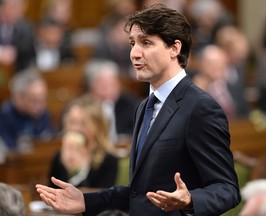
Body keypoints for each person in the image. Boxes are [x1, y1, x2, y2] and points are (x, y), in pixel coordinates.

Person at [36, 4, 240, 216]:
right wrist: (85, 201)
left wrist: (190, 200)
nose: (134, 53)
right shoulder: (144, 107)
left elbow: (227, 189)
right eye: (132, 43)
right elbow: (139, 194)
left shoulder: (201, 108)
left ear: (174, 48)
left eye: (146, 43)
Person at [48, 95, 118, 189]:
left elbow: (97, 198)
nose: (76, 128)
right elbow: (52, 193)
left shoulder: (108, 160)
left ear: (97, 127)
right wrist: (67, 166)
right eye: (72, 122)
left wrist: (77, 171)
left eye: (83, 124)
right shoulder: (59, 157)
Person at [84, 59, 139, 143]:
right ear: (92, 88)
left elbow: (136, 131)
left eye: (113, 84)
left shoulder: (128, 103)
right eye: (104, 86)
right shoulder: (83, 107)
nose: (111, 90)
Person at [0, 68, 54, 151]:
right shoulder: (5, 116)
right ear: (18, 98)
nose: (41, 106)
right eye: (34, 101)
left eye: (44, 99)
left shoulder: (44, 114)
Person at [0, 0, 34, 72]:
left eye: (18, 7)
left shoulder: (26, 28)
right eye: (13, 6)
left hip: (17, 70)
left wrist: (14, 53)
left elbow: (25, 51)